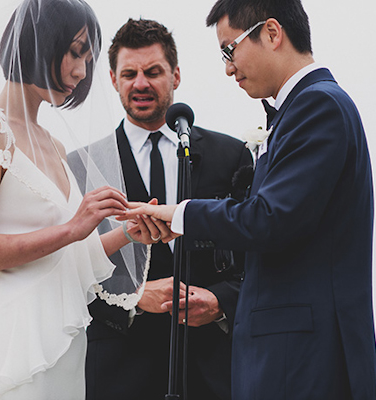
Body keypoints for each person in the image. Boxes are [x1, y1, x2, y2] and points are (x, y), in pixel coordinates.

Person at [120, 1, 376, 399]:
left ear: (273, 33)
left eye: (230, 49)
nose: (228, 67)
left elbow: (270, 219)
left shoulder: (319, 106)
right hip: (287, 355)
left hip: (304, 358)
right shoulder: (298, 111)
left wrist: (180, 215)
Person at [0, 1, 159, 398]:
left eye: (88, 59)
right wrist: (72, 228)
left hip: (64, 342)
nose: (81, 71)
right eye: (74, 52)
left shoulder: (55, 146)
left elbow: (71, 254)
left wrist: (129, 234)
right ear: (38, 43)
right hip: (16, 349)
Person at [71, 18, 253, 400]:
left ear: (176, 76)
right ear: (113, 79)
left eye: (153, 72)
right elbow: (65, 274)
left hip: (214, 374)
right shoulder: (80, 167)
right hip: (119, 375)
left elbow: (256, 254)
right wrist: (134, 298)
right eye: (129, 73)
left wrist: (221, 300)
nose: (141, 83)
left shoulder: (230, 156)